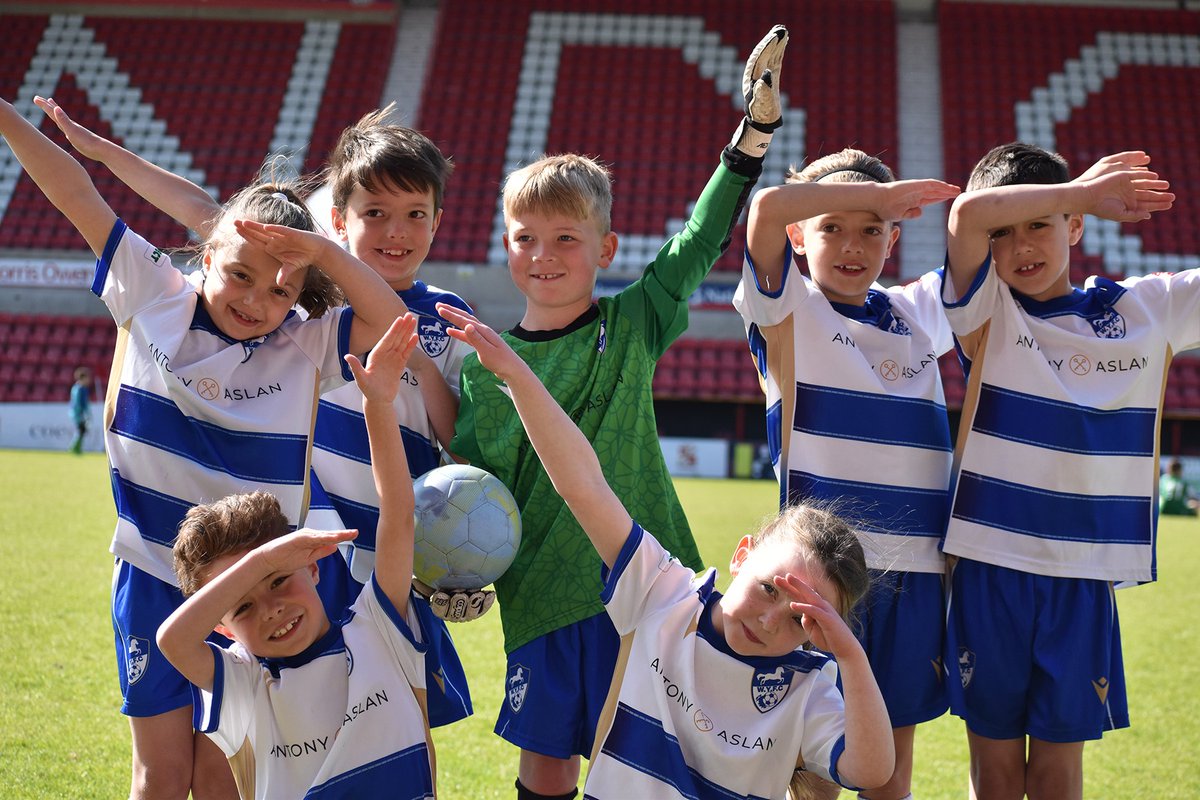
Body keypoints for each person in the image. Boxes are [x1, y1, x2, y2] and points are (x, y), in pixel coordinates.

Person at [0, 95, 407, 800]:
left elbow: (392, 319)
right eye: (241, 275)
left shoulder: (304, 344)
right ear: (207, 251)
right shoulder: (152, 291)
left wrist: (320, 254)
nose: (256, 301)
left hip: (253, 597)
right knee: (160, 774)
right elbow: (75, 193)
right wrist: (7, 118)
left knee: (228, 773)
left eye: (282, 290)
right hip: (154, 573)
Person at [446, 25, 789, 798]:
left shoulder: (630, 324)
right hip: (539, 595)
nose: (544, 253)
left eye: (567, 237)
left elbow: (701, 238)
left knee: (645, 753)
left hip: (649, 585)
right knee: (544, 763)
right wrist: (449, 567)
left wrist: (753, 136)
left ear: (604, 250)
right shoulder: (483, 368)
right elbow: (474, 489)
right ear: (505, 245)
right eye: (526, 237)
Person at [439, 303, 895, 799]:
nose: (769, 622)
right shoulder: (664, 593)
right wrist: (518, 376)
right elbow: (584, 486)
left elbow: (870, 773)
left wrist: (850, 656)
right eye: (769, 589)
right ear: (743, 554)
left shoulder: (809, 687)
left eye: (799, 621)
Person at [942, 143, 1181, 799]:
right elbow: (965, 217)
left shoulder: (1142, 310)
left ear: (1076, 229)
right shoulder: (986, 311)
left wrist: (1068, 197)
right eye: (1007, 232)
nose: (1022, 245)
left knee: (1056, 776)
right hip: (990, 568)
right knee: (994, 776)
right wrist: (1072, 191)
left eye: (1041, 224)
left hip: (1081, 577)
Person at [733, 148, 960, 800]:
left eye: (871, 229)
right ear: (802, 235)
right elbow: (766, 212)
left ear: (894, 237)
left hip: (914, 572)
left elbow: (976, 253)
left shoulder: (918, 310)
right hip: (820, 578)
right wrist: (873, 200)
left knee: (889, 769)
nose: (852, 245)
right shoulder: (787, 308)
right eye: (833, 226)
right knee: (812, 770)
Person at [159, 313, 435, 799]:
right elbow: (172, 641)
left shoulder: (377, 627)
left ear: (311, 565)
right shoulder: (244, 684)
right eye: (242, 606)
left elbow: (398, 515)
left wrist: (378, 406)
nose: (271, 609)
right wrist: (264, 562)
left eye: (278, 582)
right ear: (223, 628)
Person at [68, 365, 90, 454]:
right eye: (87, 378)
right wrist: (82, 414)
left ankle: (76, 448)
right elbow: (78, 403)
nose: (89, 380)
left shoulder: (77, 388)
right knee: (81, 430)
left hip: (76, 413)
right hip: (78, 413)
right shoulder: (80, 389)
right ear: (83, 378)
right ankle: (74, 448)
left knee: (81, 430)